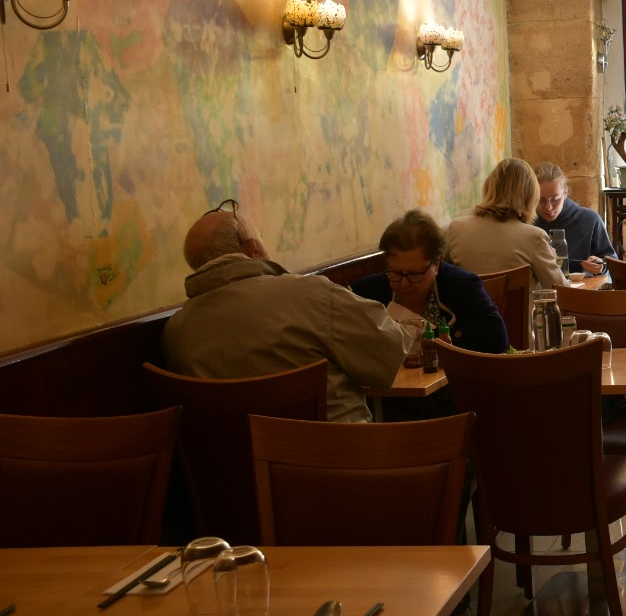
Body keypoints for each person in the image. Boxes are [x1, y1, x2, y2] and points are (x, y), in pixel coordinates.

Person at [162, 199, 410, 424]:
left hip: (232, 459)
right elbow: (391, 350)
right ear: (253, 249)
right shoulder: (310, 294)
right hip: (334, 454)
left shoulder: (176, 331)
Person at [352, 209, 508, 355]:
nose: (404, 283)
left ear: (436, 265)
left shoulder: (462, 285)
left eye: (414, 274)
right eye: (396, 272)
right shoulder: (365, 293)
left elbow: (497, 338)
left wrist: (436, 339)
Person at [445, 158, 568, 291]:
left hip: (469, 305)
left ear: (489, 187)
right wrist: (552, 259)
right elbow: (563, 292)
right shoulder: (534, 237)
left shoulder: (455, 229)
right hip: (516, 306)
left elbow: (438, 278)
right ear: (531, 196)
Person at [534, 162, 615, 275]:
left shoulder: (589, 220)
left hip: (584, 286)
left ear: (565, 192)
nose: (548, 207)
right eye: (541, 200)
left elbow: (612, 263)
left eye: (555, 199)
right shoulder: (527, 223)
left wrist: (601, 265)